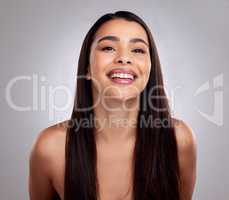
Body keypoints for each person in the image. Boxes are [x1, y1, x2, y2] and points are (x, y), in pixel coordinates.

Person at [29, 11, 197, 200]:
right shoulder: (50, 147)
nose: (124, 58)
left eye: (138, 50)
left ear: (151, 68)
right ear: (87, 68)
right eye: (108, 48)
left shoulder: (179, 140)